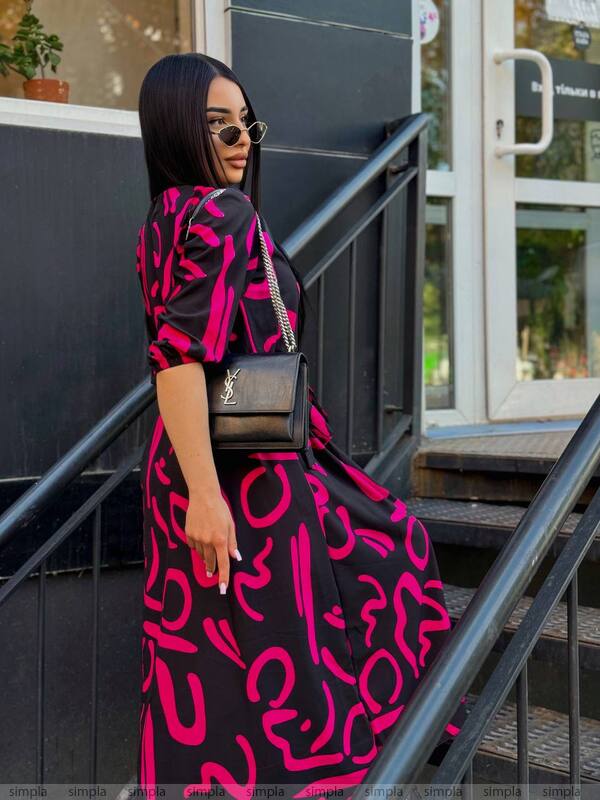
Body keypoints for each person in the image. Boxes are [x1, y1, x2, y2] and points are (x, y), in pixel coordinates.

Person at [135, 53, 466, 799]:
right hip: (243, 470)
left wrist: (194, 488)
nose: (240, 138)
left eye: (245, 122)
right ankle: (350, 755)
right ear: (178, 130)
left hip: (198, 463)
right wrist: (209, 496)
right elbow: (178, 359)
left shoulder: (165, 218)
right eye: (217, 125)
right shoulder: (223, 213)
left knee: (218, 653)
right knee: (378, 559)